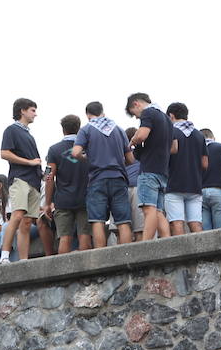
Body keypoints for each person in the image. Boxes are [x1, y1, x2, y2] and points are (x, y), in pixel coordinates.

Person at [71, 102, 134, 248]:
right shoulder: (118, 130)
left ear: (88, 115)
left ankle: (101, 257)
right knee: (123, 221)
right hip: (118, 178)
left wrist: (87, 158)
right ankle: (127, 256)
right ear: (102, 112)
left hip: (97, 179)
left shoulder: (86, 129)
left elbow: (75, 153)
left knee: (97, 220)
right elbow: (130, 159)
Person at [0, 98, 42, 264]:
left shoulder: (28, 134)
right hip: (20, 178)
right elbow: (4, 153)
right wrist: (29, 162)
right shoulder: (11, 130)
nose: (35, 114)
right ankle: (4, 256)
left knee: (27, 222)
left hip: (34, 180)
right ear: (22, 111)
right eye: (32, 110)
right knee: (17, 216)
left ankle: (23, 260)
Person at [125, 93, 172, 242]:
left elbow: (142, 135)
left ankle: (145, 244)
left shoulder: (148, 113)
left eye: (135, 115)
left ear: (136, 104)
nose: (137, 118)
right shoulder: (166, 118)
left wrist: (132, 142)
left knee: (148, 209)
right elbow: (174, 146)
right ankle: (166, 241)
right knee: (158, 211)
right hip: (162, 170)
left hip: (149, 169)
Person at [43, 115, 92, 253]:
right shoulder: (87, 147)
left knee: (64, 238)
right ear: (79, 128)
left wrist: (47, 203)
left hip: (63, 200)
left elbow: (48, 177)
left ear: (63, 129)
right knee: (85, 236)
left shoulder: (53, 150)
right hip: (85, 198)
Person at [164, 103, 206, 235]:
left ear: (171, 116)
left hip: (174, 183)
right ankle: (202, 253)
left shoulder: (171, 132)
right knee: (195, 222)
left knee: (177, 222)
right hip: (195, 184)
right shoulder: (199, 135)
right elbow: (205, 163)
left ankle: (181, 254)